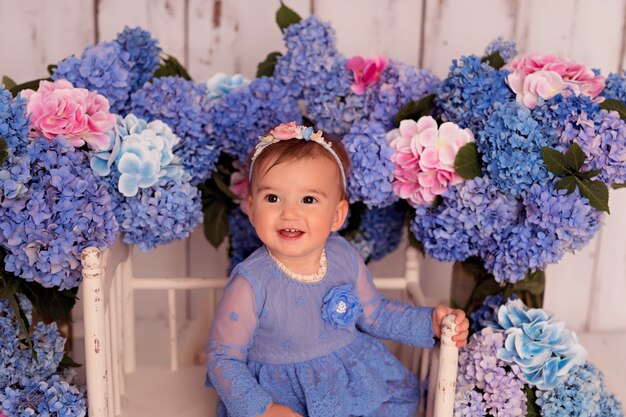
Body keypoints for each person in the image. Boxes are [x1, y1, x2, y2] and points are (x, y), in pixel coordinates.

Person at [205, 121, 469, 417]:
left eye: (308, 199)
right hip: (282, 397)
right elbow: (223, 358)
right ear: (252, 210)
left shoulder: (342, 254)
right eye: (272, 198)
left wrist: (428, 323)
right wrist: (263, 409)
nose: (289, 212)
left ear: (337, 215)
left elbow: (375, 313)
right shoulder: (250, 282)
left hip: (349, 379)